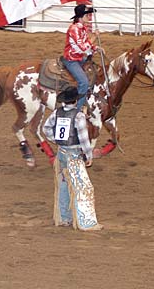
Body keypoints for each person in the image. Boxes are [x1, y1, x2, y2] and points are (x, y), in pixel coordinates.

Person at [42, 86, 103, 231]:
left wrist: (56, 140)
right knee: (83, 187)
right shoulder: (79, 116)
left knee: (63, 185)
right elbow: (83, 139)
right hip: (74, 155)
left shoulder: (57, 112)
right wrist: (88, 155)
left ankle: (64, 218)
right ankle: (86, 222)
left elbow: (46, 129)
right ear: (75, 101)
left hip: (61, 154)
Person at [62, 4, 102, 111]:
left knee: (94, 71)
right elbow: (83, 48)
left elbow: (86, 44)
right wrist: (94, 37)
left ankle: (86, 98)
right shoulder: (74, 29)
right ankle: (78, 109)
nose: (89, 17)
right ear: (81, 16)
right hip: (71, 59)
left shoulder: (82, 29)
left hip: (78, 58)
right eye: (87, 15)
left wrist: (95, 48)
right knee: (83, 82)